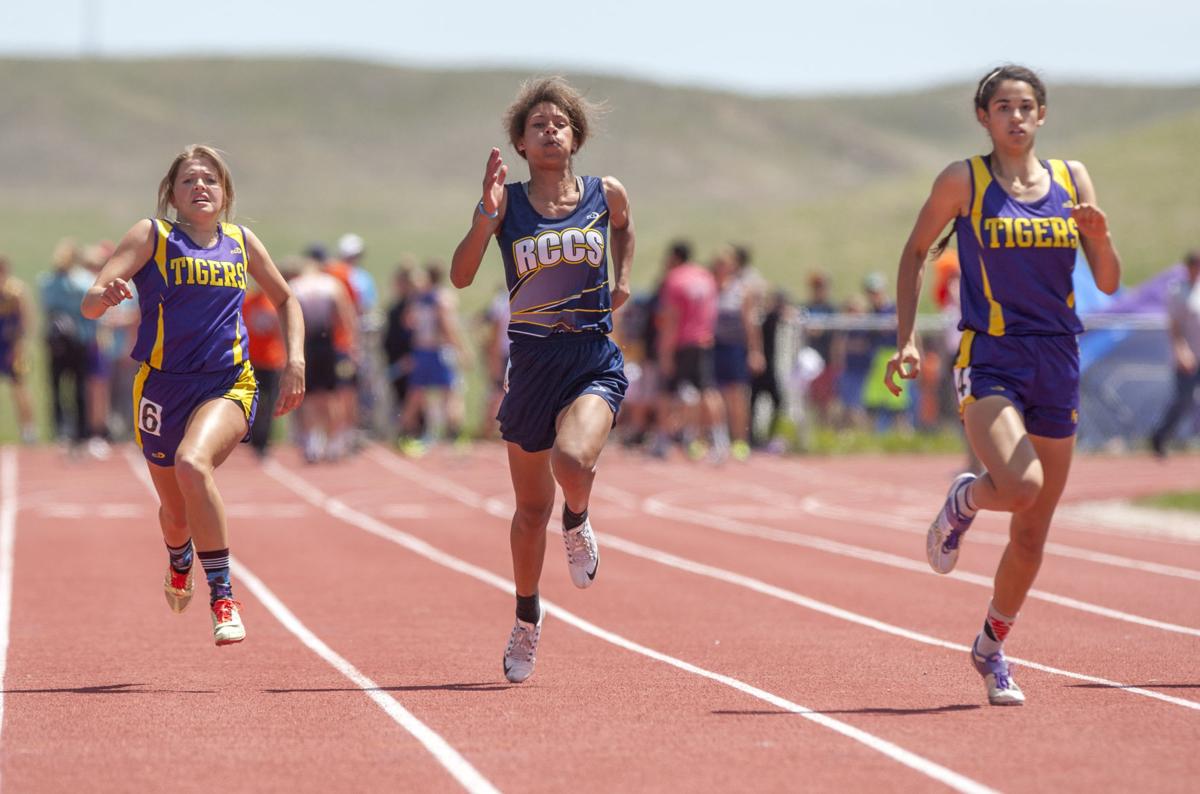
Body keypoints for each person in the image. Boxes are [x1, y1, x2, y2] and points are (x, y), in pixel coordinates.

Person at [884, 65, 1121, 706]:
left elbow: (1107, 277)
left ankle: (991, 648)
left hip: (1058, 357)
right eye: (1002, 107)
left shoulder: (1072, 180)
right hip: (990, 356)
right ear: (984, 118)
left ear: (1042, 115)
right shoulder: (965, 179)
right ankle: (964, 501)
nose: (1015, 117)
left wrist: (1099, 239)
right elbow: (913, 253)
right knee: (1021, 486)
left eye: (1025, 106)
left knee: (1032, 531)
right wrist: (906, 338)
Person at [81, 144, 305, 645]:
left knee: (192, 464)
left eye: (209, 180)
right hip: (161, 386)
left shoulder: (241, 241)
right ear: (172, 195)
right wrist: (108, 294)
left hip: (227, 381)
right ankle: (178, 556)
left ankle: (223, 595)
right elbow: (91, 303)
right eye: (188, 181)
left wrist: (295, 360)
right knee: (174, 510)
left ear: (225, 193)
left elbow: (286, 297)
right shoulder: (152, 235)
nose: (199, 187)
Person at [450, 77, 633, 683]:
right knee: (530, 512)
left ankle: (578, 521)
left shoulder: (605, 195)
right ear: (522, 145)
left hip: (590, 357)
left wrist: (623, 277)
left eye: (559, 123)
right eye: (537, 126)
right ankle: (527, 616)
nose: (550, 130)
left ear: (576, 136)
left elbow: (626, 229)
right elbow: (460, 275)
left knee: (573, 461)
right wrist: (483, 215)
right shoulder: (510, 206)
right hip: (530, 366)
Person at [654, 241, 727, 460]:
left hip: (681, 342)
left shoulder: (674, 279)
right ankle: (720, 441)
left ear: (674, 257)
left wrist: (665, 353)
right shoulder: (706, 277)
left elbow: (672, 318)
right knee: (708, 390)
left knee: (666, 392)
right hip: (704, 340)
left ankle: (662, 441)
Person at [40, 239, 91, 449]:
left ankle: (68, 431)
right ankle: (74, 432)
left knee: (66, 388)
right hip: (71, 340)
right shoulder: (82, 281)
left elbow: (48, 306)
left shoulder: (47, 282)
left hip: (67, 341)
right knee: (70, 388)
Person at [1150, 251, 1200, 456]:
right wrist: (1181, 351)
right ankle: (1160, 436)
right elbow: (1174, 325)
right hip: (1188, 355)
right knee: (1183, 399)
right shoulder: (1178, 291)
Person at [0, 255, 36, 443]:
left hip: (13, 347)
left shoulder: (16, 292)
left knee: (20, 389)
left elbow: (25, 322)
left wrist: (19, 349)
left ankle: (28, 430)